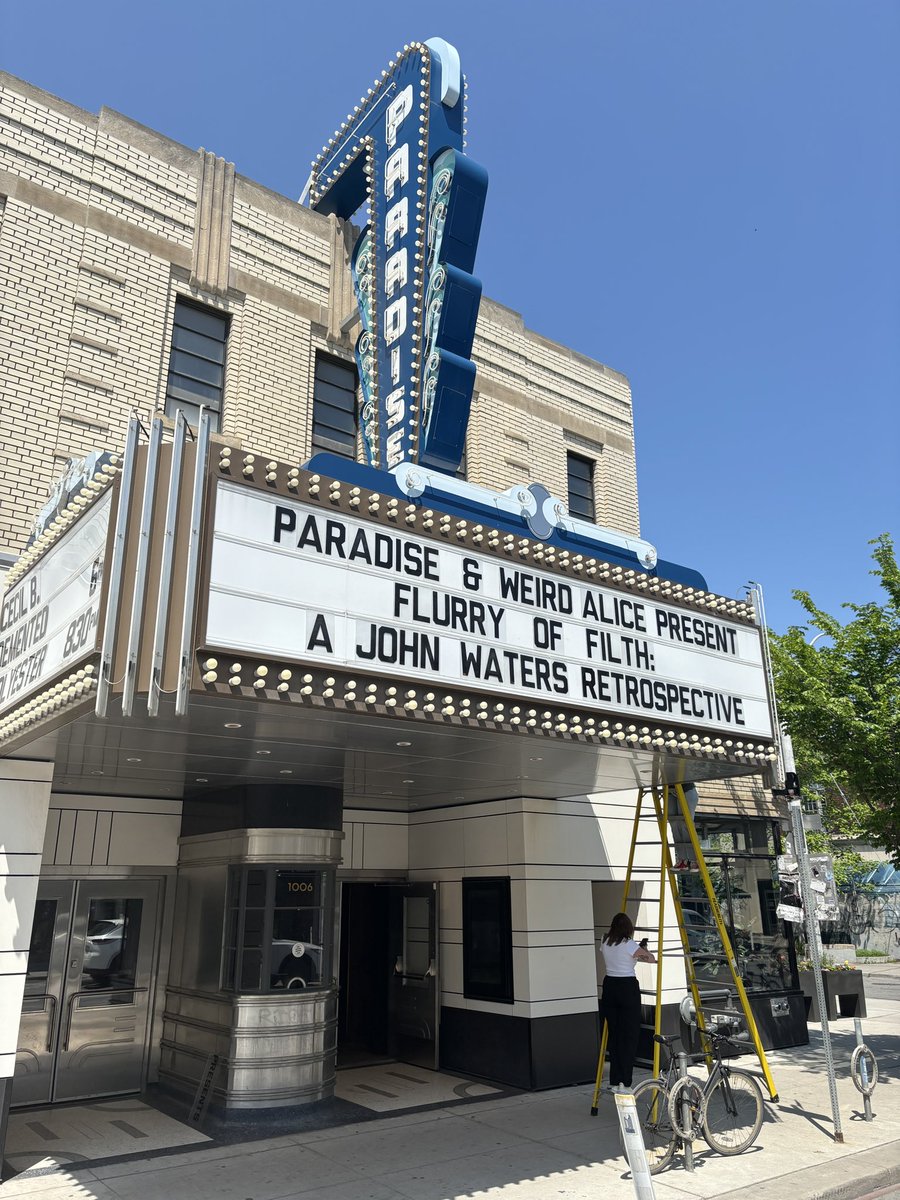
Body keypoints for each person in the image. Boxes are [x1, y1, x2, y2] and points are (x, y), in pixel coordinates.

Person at [600, 912, 656, 1093]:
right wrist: (644, 949)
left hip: (609, 986)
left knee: (615, 1035)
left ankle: (615, 1081)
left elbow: (619, 954)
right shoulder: (629, 944)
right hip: (627, 987)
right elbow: (651, 959)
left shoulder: (605, 941)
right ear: (628, 928)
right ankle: (625, 1082)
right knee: (629, 1036)